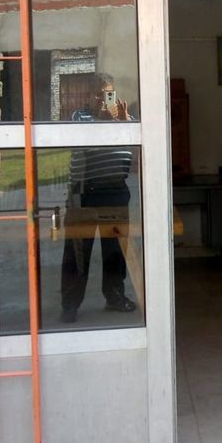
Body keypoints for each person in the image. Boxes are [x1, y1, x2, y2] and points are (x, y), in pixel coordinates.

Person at [60, 72, 138, 323]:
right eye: (98, 94)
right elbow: (83, 146)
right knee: (77, 251)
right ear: (88, 96)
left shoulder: (124, 117)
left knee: (115, 249)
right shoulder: (79, 117)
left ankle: (115, 297)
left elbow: (136, 156)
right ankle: (70, 305)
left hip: (115, 191)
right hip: (84, 192)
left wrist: (125, 125)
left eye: (108, 94)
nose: (103, 100)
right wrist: (102, 124)